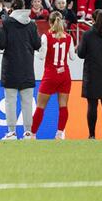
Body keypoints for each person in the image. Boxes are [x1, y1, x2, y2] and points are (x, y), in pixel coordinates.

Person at [0, 0, 41, 140]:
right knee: (27, 101)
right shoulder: (31, 24)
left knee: (10, 101)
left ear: (12, 7)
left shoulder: (6, 22)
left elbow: (1, 43)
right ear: (25, 7)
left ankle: (11, 132)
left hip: (10, 66)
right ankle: (27, 132)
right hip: (26, 66)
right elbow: (37, 44)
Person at [30, 12, 76, 140]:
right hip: (64, 75)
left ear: (50, 23)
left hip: (50, 74)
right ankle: (60, 133)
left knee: (40, 106)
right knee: (63, 105)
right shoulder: (68, 37)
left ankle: (33, 134)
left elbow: (41, 56)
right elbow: (72, 57)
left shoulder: (46, 36)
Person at [76, 10, 102, 139]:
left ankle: (92, 135)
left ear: (92, 20)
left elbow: (81, 54)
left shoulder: (87, 35)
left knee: (92, 105)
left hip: (92, 73)